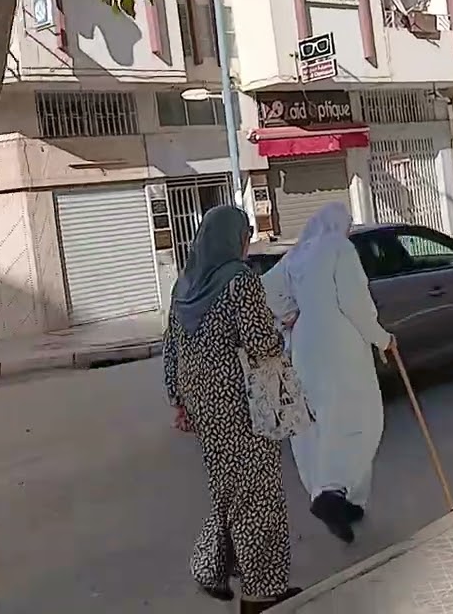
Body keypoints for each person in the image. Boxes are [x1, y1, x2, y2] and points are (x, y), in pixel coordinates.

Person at [163, 205, 302, 614]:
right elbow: (262, 344)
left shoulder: (183, 285)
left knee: (228, 487)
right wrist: (283, 328)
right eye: (245, 236)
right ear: (232, 239)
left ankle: (212, 567)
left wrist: (178, 400)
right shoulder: (240, 282)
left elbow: (171, 348)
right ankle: (261, 594)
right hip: (242, 404)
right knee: (259, 495)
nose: (246, 244)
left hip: (204, 405)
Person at [265, 202, 395, 544]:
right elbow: (356, 303)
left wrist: (289, 316)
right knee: (359, 418)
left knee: (317, 424)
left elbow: (266, 291)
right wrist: (382, 339)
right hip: (342, 342)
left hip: (305, 345)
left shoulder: (296, 255)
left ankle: (342, 500)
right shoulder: (339, 248)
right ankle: (333, 493)